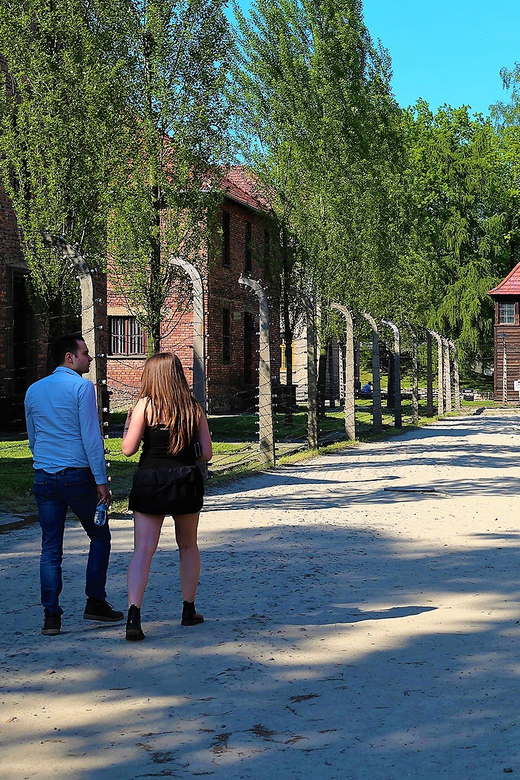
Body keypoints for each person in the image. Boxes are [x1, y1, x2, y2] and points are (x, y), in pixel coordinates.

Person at [24, 333, 124, 636]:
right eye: (85, 353)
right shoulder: (81, 388)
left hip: (44, 474)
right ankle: (95, 601)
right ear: (70, 357)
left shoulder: (33, 390)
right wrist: (101, 480)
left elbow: (32, 435)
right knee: (100, 536)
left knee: (50, 547)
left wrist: (43, 458)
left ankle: (51, 616)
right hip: (77, 473)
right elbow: (91, 437)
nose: (90, 358)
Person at [122, 352, 212, 641]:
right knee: (188, 546)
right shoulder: (192, 408)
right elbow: (207, 453)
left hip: (150, 479)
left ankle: (134, 615)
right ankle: (189, 609)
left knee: (143, 550)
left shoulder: (144, 406)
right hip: (185, 479)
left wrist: (128, 427)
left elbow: (128, 449)